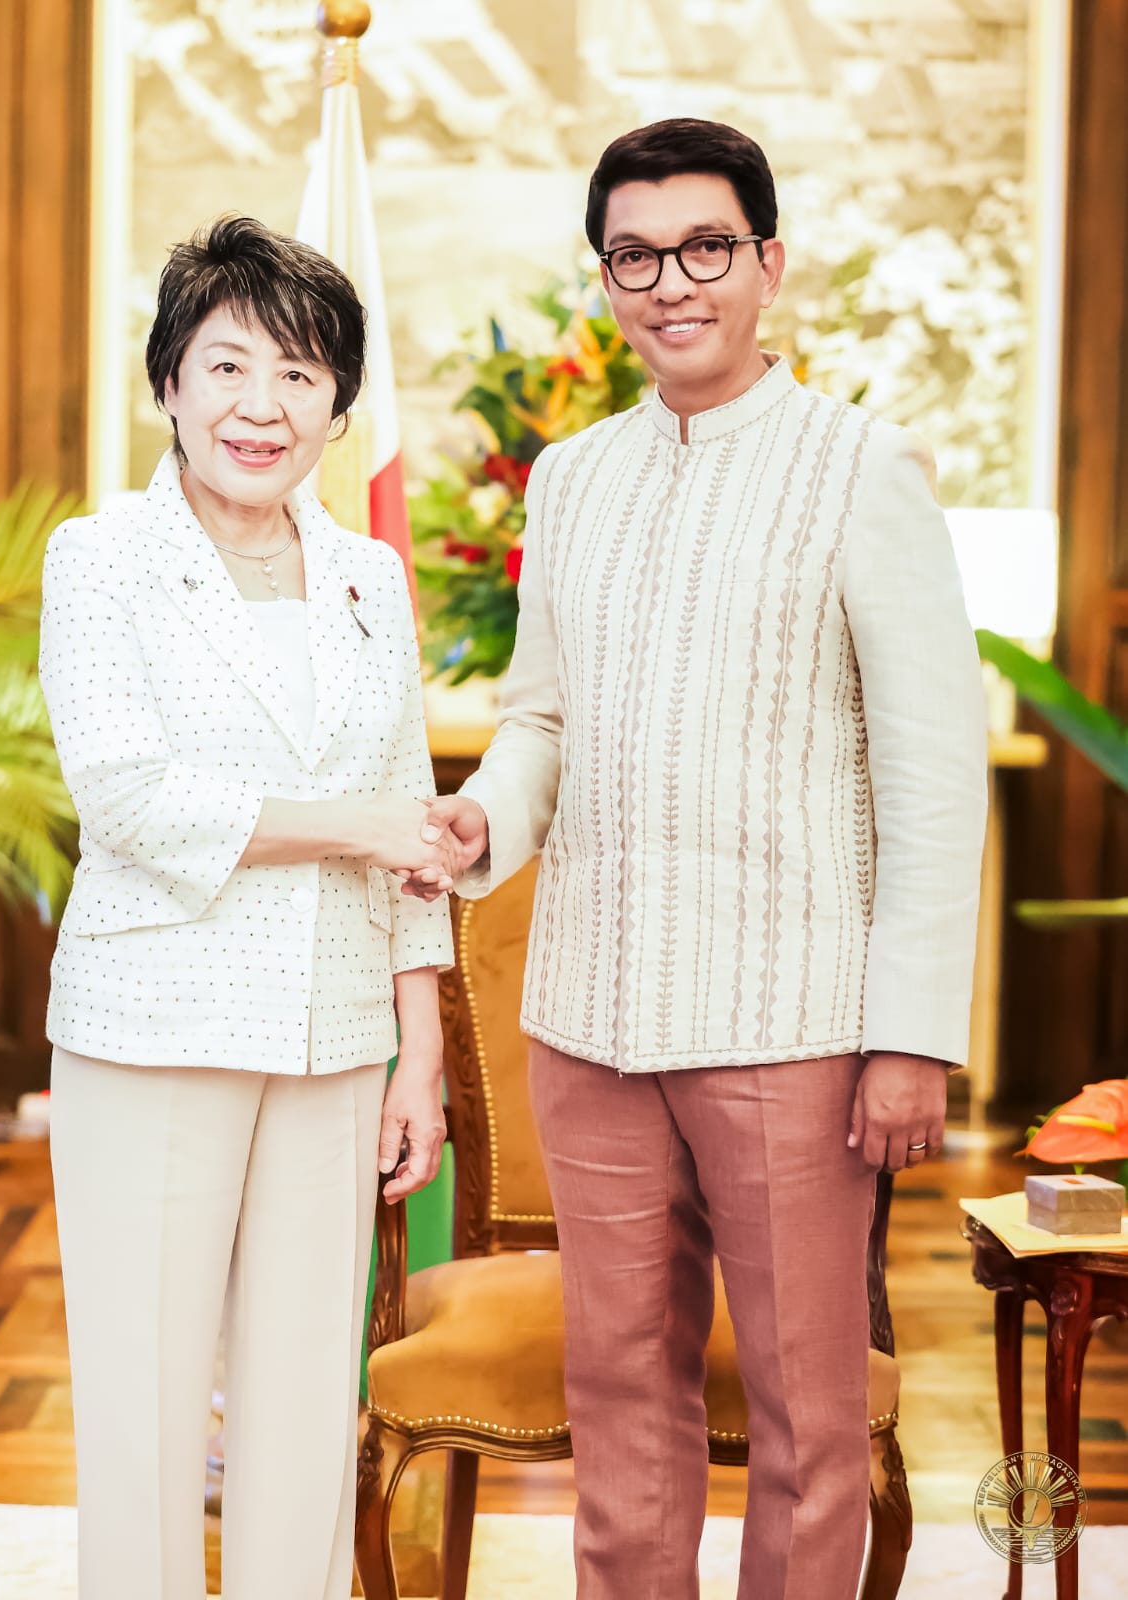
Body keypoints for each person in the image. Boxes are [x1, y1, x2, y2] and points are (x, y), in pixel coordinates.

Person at [404, 120, 987, 1599]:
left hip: (793, 1030)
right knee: (619, 1406)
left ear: (767, 264)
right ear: (606, 280)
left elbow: (933, 777)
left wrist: (911, 1037)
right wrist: (487, 817)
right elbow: (541, 718)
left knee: (807, 1419)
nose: (672, 283)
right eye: (636, 257)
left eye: (705, 248)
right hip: (590, 1018)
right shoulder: (572, 478)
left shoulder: (861, 468)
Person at [39, 215, 456, 1600]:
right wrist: (359, 827)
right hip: (153, 1025)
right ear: (169, 382)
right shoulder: (101, 558)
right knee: (146, 1408)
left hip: (336, 1036)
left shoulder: (369, 575)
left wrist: (421, 1049)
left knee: (305, 1403)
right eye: (226, 366)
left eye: (298, 372)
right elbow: (132, 800)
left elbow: (410, 810)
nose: (259, 406)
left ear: (339, 405)